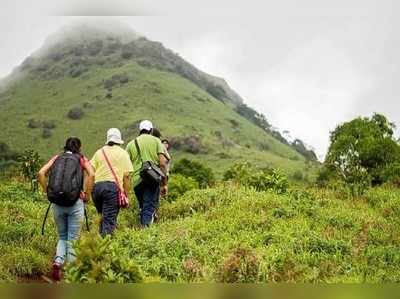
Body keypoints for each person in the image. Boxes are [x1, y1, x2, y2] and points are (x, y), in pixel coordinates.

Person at [38, 137, 94, 282]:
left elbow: (41, 173)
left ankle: (58, 262)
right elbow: (92, 174)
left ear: (65, 146)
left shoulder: (57, 157)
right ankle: (71, 272)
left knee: (62, 236)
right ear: (79, 147)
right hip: (75, 203)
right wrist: (86, 195)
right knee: (73, 239)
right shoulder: (81, 158)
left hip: (57, 203)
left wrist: (47, 191)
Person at [90, 128, 133, 236]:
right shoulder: (123, 154)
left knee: (102, 217)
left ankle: (99, 245)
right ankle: (106, 248)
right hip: (111, 189)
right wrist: (126, 195)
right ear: (119, 140)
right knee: (109, 220)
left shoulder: (99, 152)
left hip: (97, 188)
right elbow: (127, 176)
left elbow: (90, 171)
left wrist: (89, 190)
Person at [126, 120, 168, 227]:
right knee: (149, 207)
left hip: (136, 181)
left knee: (143, 206)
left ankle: (141, 227)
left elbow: (126, 166)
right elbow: (163, 163)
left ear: (140, 130)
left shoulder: (131, 144)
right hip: (152, 178)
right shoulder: (156, 141)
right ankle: (145, 232)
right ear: (151, 130)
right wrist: (164, 183)